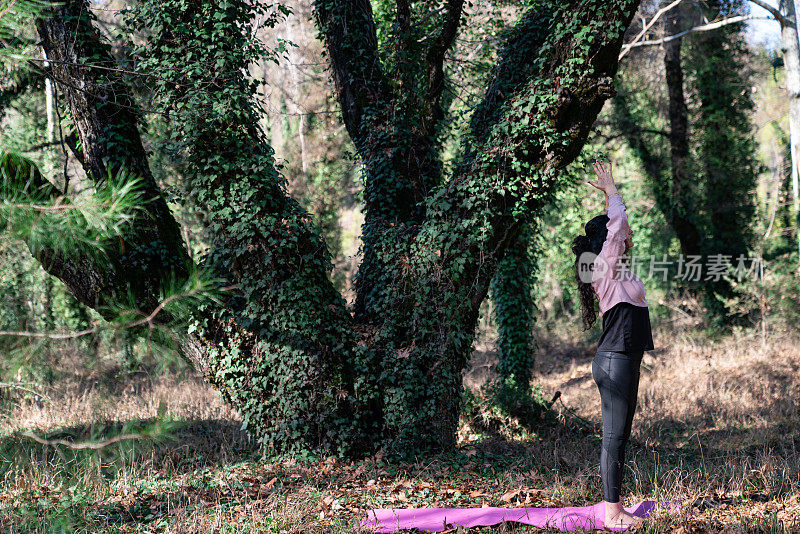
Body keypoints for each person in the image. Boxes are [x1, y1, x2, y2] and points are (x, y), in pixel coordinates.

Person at [570, 159, 654, 531]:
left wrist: (613, 210)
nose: (628, 235)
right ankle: (612, 513)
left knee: (616, 435)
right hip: (616, 360)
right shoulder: (604, 265)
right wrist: (612, 194)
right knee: (616, 436)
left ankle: (613, 507)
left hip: (619, 359)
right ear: (607, 243)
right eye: (620, 237)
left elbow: (618, 231)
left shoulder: (614, 269)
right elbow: (617, 228)